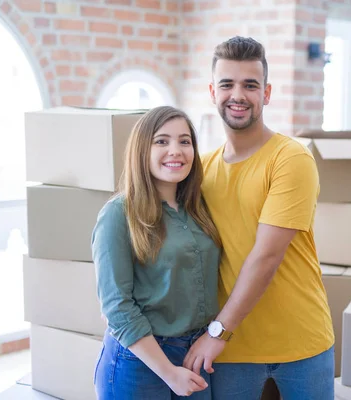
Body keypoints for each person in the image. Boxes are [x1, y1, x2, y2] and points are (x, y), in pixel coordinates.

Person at [183, 36, 335, 399]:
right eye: (227, 84)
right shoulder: (201, 170)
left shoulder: (290, 159)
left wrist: (217, 332)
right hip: (233, 352)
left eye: (250, 85)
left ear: (266, 94)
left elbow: (266, 256)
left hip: (301, 345)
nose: (238, 94)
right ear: (212, 92)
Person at [92, 106, 222, 399]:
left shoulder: (198, 209)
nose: (175, 150)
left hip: (196, 354)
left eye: (184, 141)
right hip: (140, 361)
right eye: (162, 141)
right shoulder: (118, 214)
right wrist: (168, 371)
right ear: (142, 150)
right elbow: (116, 307)